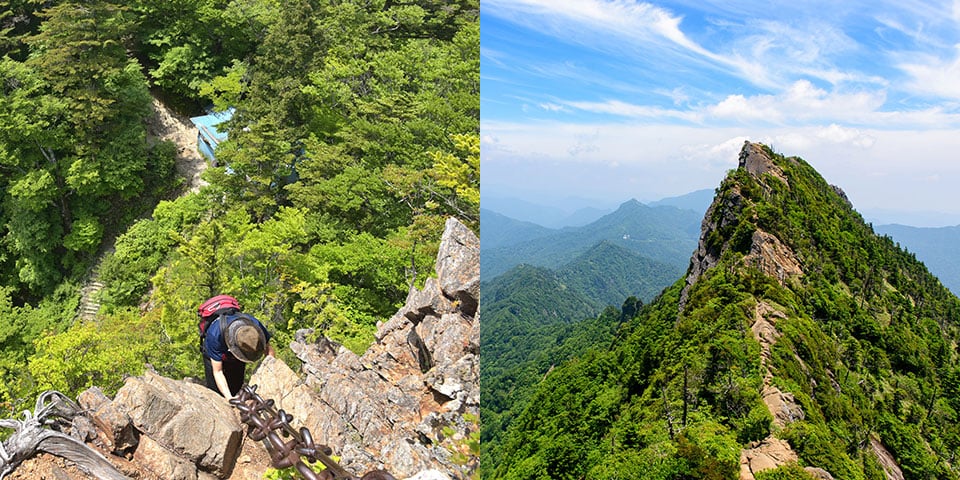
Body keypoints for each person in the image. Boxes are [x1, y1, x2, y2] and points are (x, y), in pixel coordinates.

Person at [198, 295, 276, 398]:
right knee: (216, 393)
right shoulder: (214, 335)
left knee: (236, 385)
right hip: (215, 353)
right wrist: (229, 397)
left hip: (239, 352)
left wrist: (270, 373)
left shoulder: (255, 326)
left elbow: (269, 352)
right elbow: (218, 371)